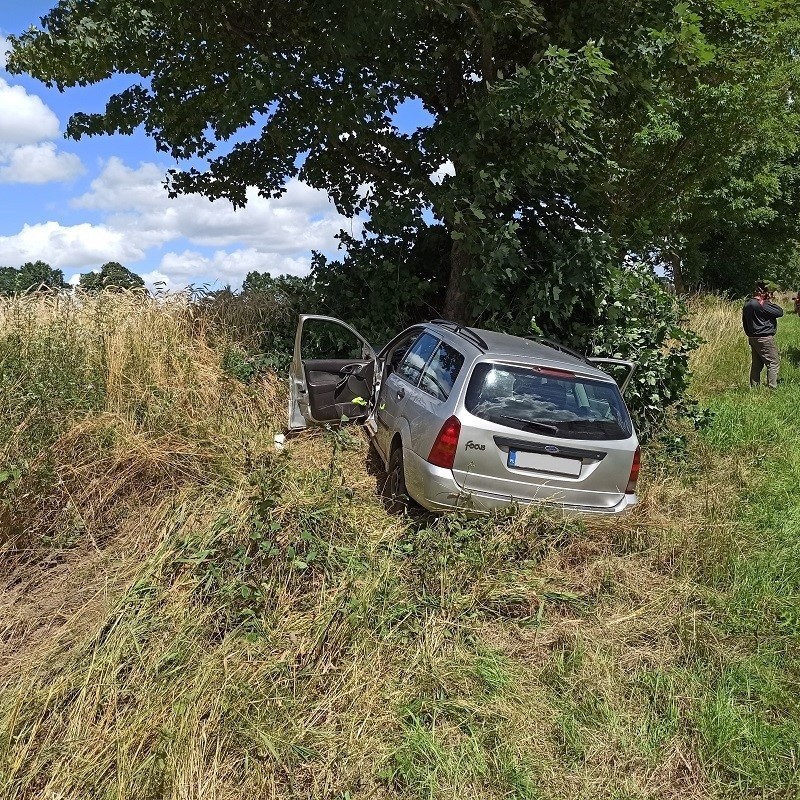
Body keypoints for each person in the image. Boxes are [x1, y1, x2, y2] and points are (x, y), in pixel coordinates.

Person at [742, 280, 783, 389]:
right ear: (763, 293)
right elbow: (780, 312)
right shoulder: (763, 304)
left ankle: (754, 387)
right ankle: (772, 388)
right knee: (773, 363)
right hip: (765, 338)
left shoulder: (747, 304)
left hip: (753, 337)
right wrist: (768, 301)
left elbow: (745, 322)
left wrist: (749, 334)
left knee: (756, 364)